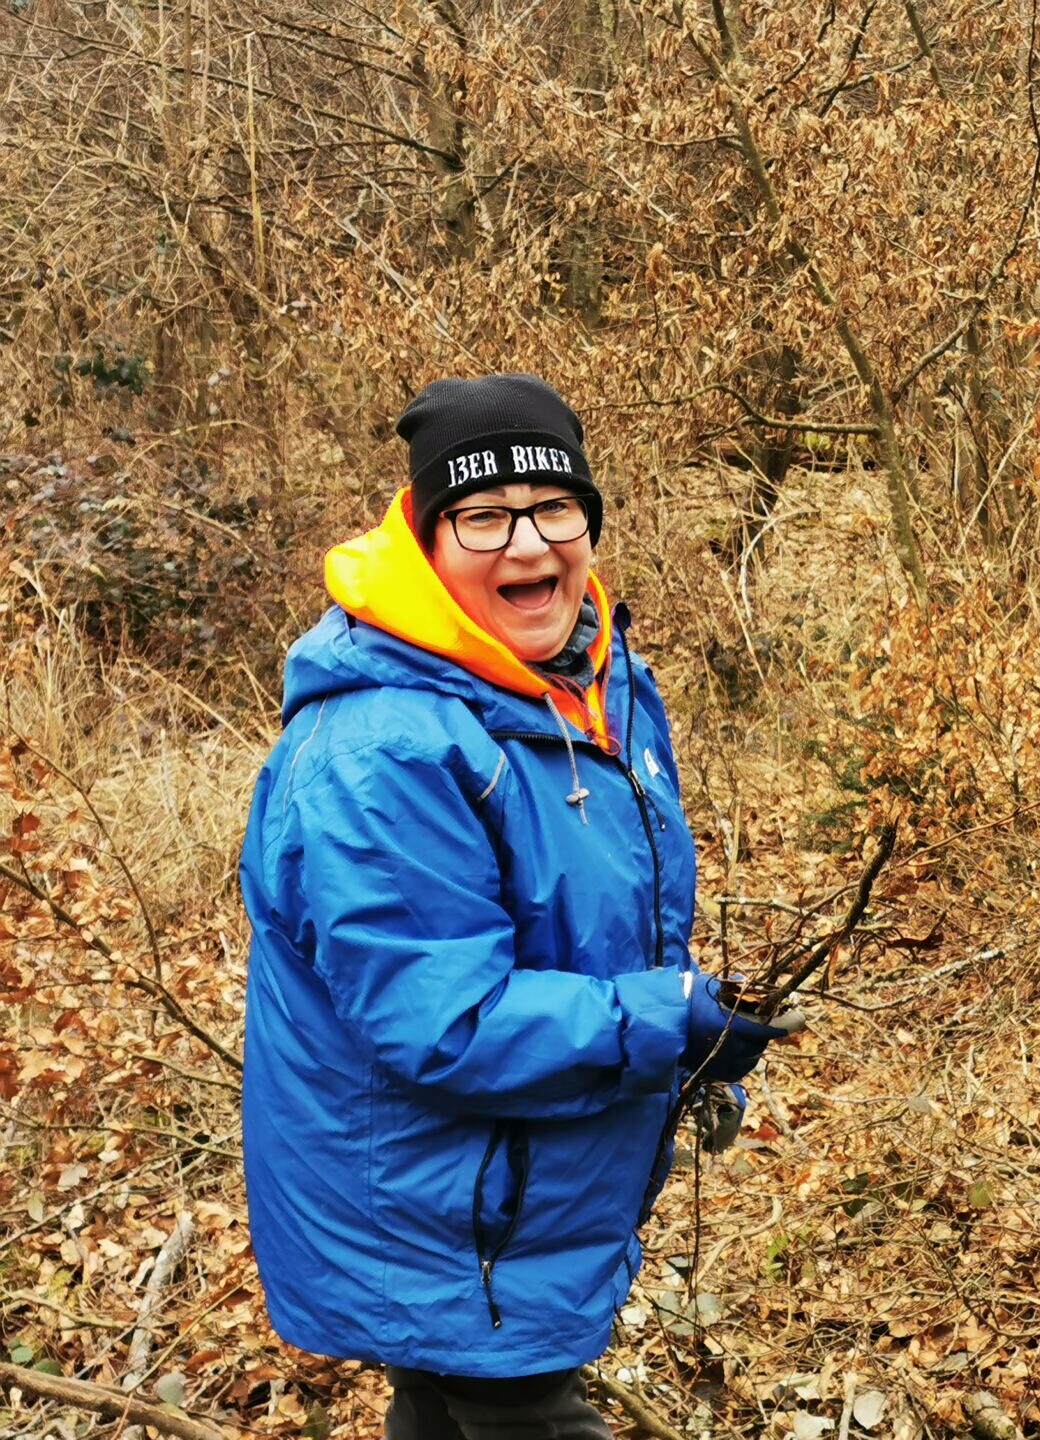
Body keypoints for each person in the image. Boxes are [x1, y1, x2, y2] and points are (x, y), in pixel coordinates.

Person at [239, 374, 783, 1439]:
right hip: (442, 1207)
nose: (528, 545)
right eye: (483, 518)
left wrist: (675, 1033)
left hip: (506, 1183)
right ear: (427, 541)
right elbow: (446, 1019)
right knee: (513, 1405)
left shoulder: (596, 678)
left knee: (443, 1406)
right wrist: (660, 1019)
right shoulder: (383, 750)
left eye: (553, 508)